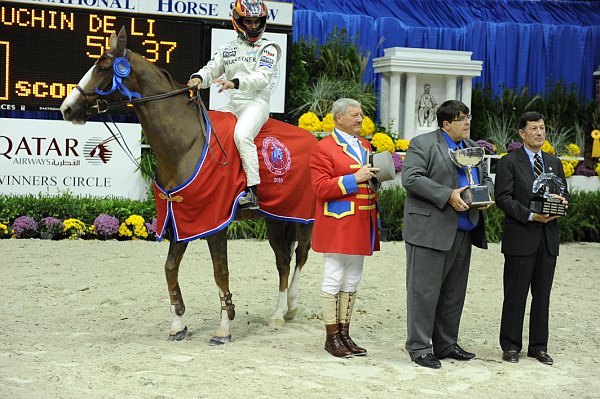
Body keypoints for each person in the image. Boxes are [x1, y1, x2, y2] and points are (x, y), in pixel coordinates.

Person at [401, 99, 493, 369]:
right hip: (429, 231)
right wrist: (448, 195)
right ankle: (419, 347)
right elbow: (412, 178)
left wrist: (485, 193)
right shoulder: (424, 144)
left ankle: (446, 343)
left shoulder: (472, 147)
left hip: (464, 230)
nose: (467, 123)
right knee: (423, 293)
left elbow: (484, 178)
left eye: (468, 117)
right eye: (461, 119)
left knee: (453, 293)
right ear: (445, 124)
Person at [188, 0, 280, 210]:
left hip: (256, 103)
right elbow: (212, 68)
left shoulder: (268, 47)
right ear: (238, 21)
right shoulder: (227, 49)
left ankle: (253, 191)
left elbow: (263, 78)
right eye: (249, 21)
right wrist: (198, 78)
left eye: (257, 21)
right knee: (208, 127)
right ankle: (212, 182)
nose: (254, 26)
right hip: (234, 104)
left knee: (242, 134)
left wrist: (235, 82)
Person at [494, 111, 569, 366]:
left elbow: (563, 193)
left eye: (542, 128)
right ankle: (511, 345)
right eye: (534, 129)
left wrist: (561, 203)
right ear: (522, 134)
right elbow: (503, 198)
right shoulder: (508, 162)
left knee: (543, 296)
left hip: (548, 240)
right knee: (515, 295)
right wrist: (529, 215)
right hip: (520, 238)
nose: (539, 133)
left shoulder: (554, 163)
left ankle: (539, 347)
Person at [310, 98, 381, 358]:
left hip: (363, 220)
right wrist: (355, 179)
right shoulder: (324, 148)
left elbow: (369, 180)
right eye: (354, 115)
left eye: (361, 115)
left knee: (352, 279)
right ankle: (331, 337)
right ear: (338, 118)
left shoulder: (365, 145)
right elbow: (320, 188)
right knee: (333, 277)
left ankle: (344, 334)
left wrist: (377, 177)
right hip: (338, 222)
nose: (360, 119)